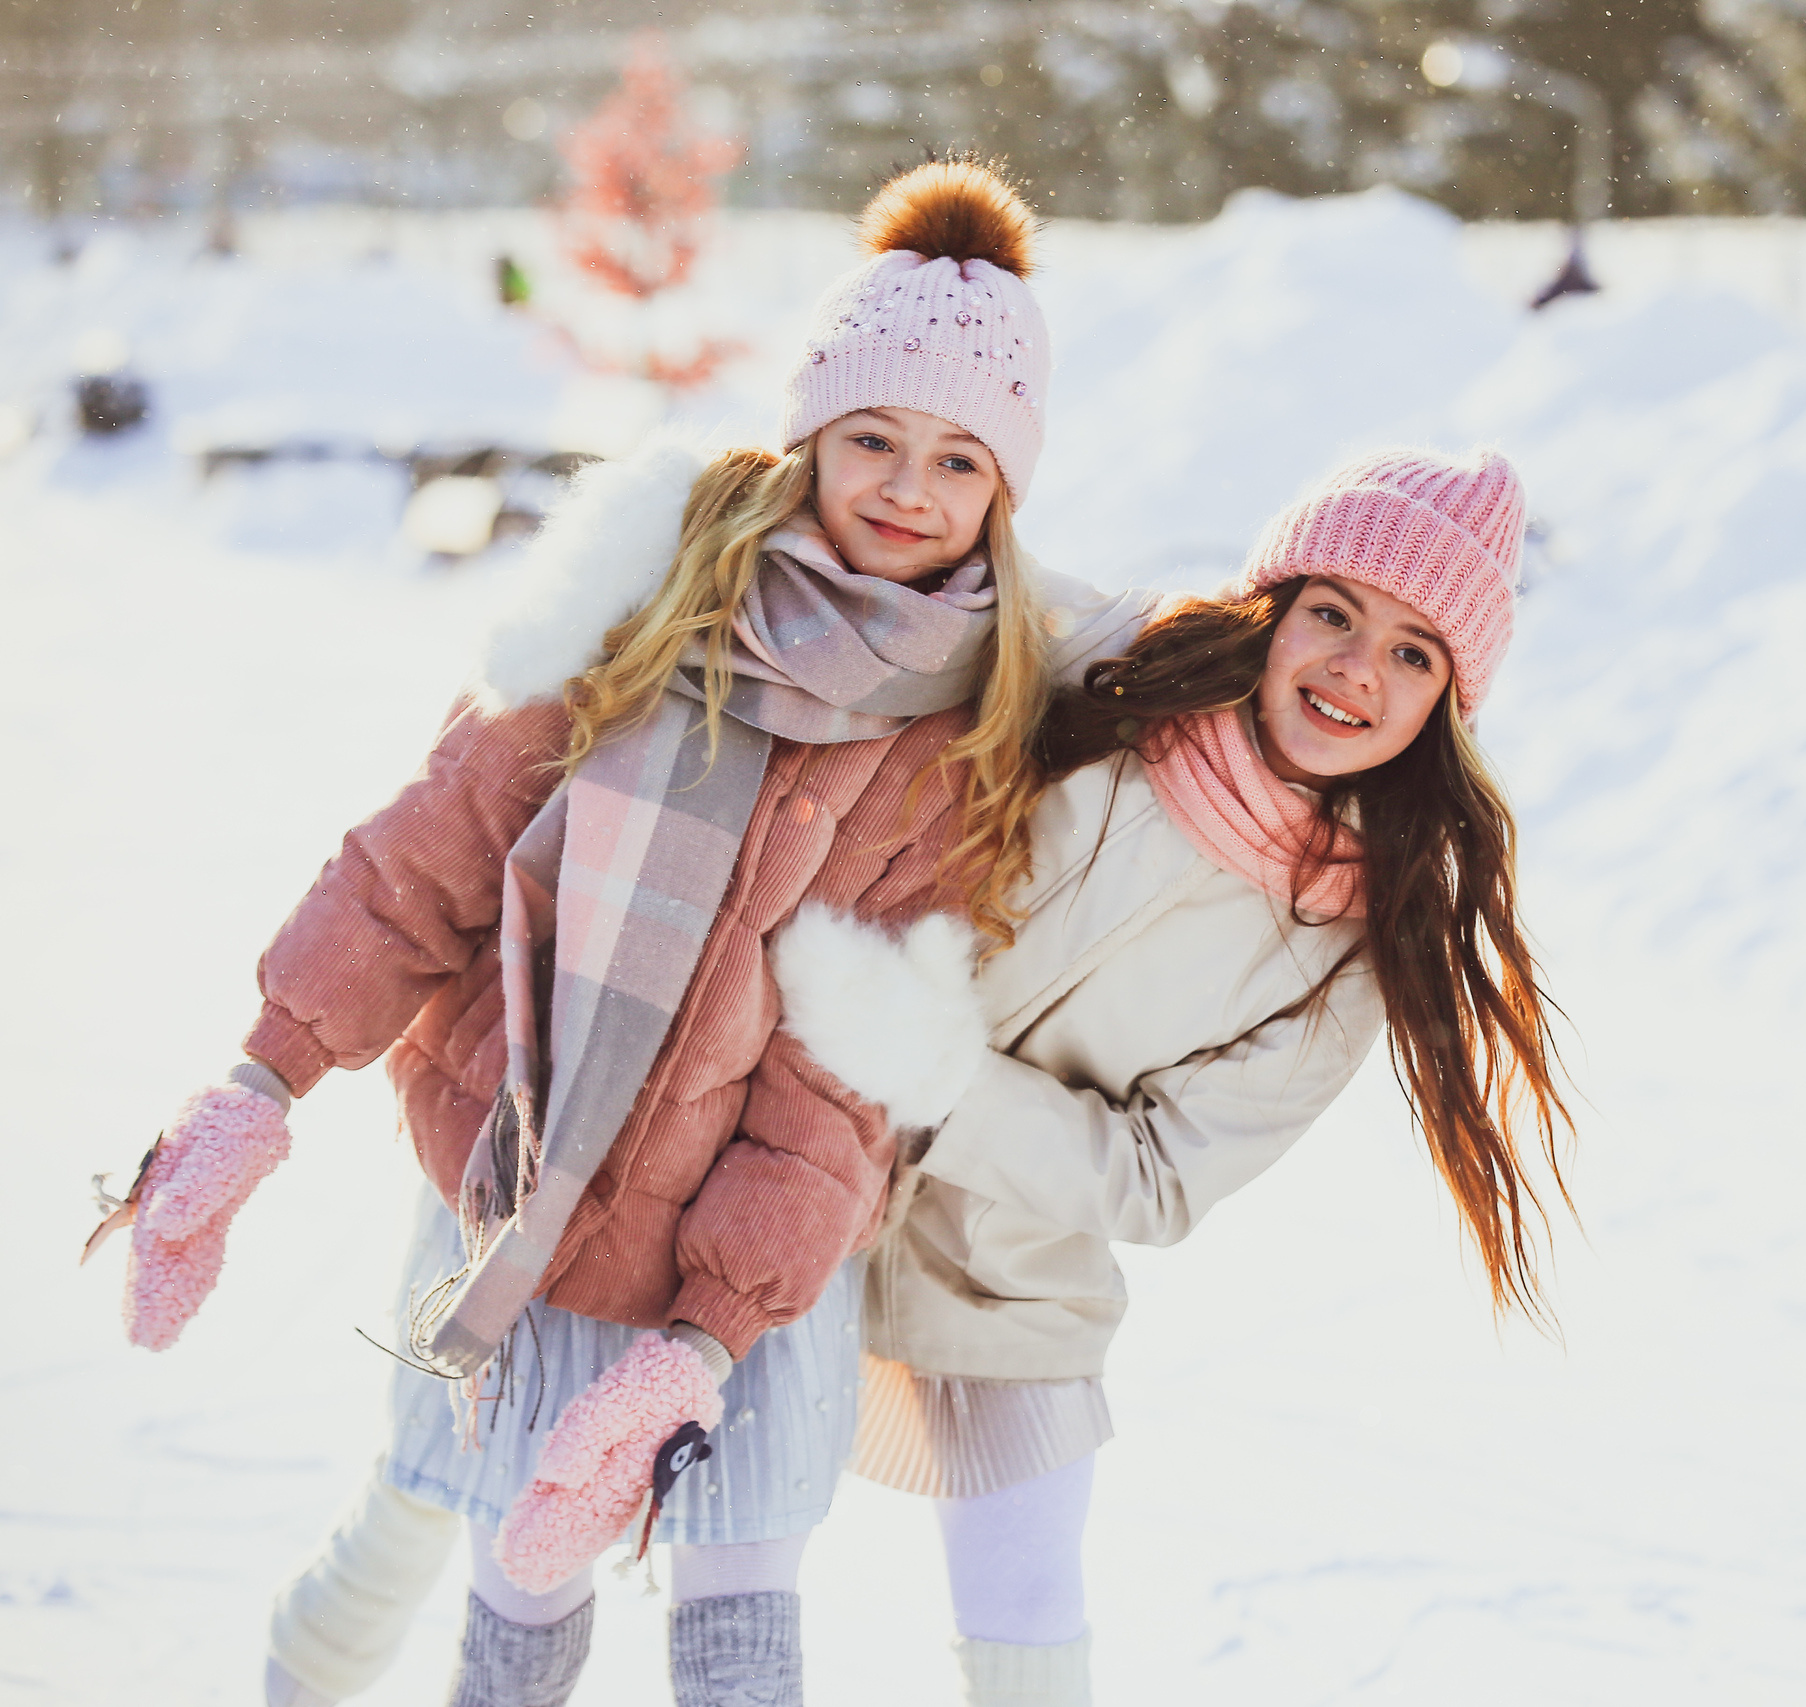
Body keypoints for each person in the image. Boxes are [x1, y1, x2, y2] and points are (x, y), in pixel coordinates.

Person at [255, 444, 1577, 1707]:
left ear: (1450, 708)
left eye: (1413, 654)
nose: (1356, 670)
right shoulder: (1110, 664)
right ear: (1271, 604)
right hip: (778, 1146)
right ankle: (326, 1642)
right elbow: (889, 572)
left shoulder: (1353, 945)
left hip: (1000, 1254)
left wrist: (941, 1075)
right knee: (474, 1450)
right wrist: (669, 520)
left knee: (1022, 1576)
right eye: (1335, 614)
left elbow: (1163, 1176)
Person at [86, 160, 1147, 1707]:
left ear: (1006, 491)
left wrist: (708, 1334)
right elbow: (424, 861)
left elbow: (841, 1084)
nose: (908, 490)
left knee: (737, 1590)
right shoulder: (646, 600)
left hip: (738, 1283)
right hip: (525, 1190)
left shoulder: (957, 747)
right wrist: (262, 1080)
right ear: (807, 431)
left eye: (958, 461)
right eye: (872, 436)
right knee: (522, 1562)